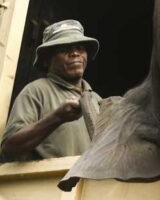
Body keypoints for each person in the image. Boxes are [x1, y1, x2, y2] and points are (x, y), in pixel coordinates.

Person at [1, 20, 102, 161]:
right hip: (52, 176)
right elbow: (9, 148)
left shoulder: (97, 99)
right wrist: (57, 117)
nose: (75, 53)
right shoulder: (36, 91)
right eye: (64, 49)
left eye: (80, 48)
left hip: (92, 176)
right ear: (46, 60)